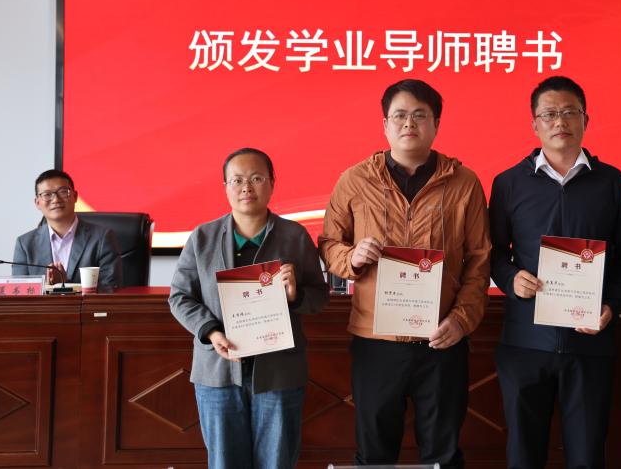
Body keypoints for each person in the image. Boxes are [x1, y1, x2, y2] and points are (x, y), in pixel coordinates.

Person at [318, 79, 491, 469]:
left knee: (443, 455)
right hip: (376, 341)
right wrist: (352, 257)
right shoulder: (355, 180)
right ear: (384, 125)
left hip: (442, 340)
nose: (408, 124)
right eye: (399, 116)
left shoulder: (464, 183)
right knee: (374, 455)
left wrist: (461, 321)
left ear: (436, 124)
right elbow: (328, 244)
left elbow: (480, 261)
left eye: (419, 115)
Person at [489, 75, 621, 469]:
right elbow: (492, 252)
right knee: (524, 456)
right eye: (549, 114)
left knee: (587, 456)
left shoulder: (612, 182)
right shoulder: (508, 183)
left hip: (589, 344)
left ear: (586, 120)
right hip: (525, 342)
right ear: (534, 124)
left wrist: (612, 305)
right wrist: (510, 279)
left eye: (570, 112)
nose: (560, 121)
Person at [169, 148, 328, 469]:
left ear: (272, 183)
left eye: (256, 178)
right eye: (237, 180)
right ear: (225, 187)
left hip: (279, 372)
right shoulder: (203, 237)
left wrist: (295, 295)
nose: (246, 188)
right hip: (218, 371)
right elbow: (180, 297)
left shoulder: (294, 236)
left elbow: (320, 297)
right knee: (224, 462)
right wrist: (211, 332)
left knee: (277, 462)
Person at [13, 169, 121, 288]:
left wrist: (65, 286)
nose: (56, 199)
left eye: (63, 192)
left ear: (75, 196)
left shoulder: (102, 238)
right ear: (37, 203)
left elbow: (111, 288)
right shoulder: (25, 244)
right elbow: (20, 291)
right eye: (47, 194)